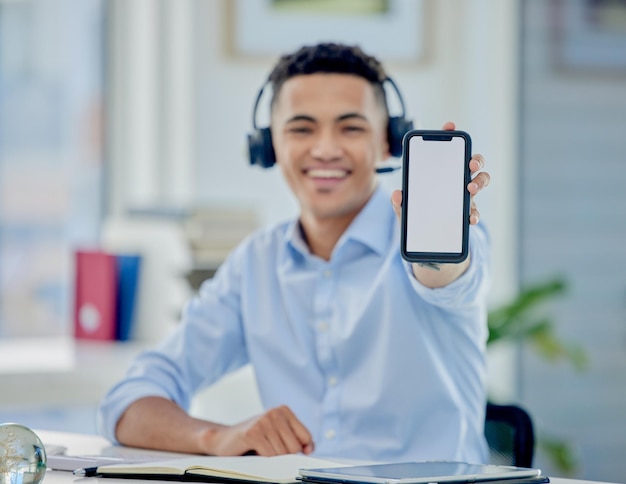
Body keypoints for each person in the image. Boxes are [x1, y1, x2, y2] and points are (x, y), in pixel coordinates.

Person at [97, 42, 492, 464]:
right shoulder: (256, 263)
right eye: (301, 129)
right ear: (270, 145)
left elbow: (443, 276)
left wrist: (438, 252)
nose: (324, 149)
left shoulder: (441, 241)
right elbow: (128, 402)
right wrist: (217, 437)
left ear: (387, 143)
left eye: (351, 128)